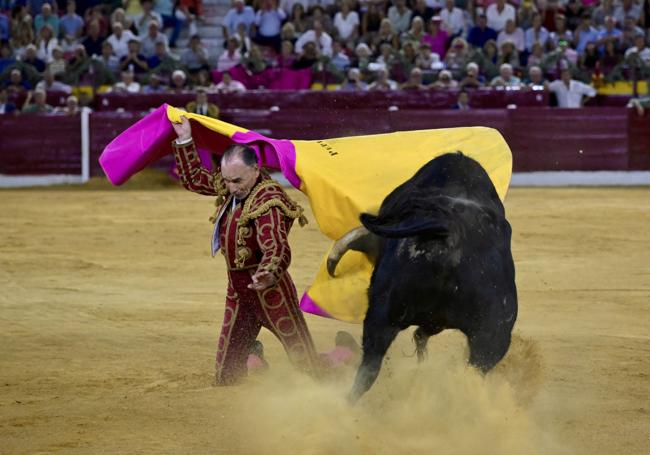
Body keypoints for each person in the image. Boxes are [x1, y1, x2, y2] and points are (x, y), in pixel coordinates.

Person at [169, 115, 324, 385]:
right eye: (227, 181)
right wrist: (185, 138)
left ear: (256, 169)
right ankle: (256, 357)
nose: (231, 187)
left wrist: (267, 273)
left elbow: (276, 246)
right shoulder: (234, 187)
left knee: (309, 368)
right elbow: (194, 179)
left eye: (237, 181)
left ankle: (344, 356)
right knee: (226, 377)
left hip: (270, 291)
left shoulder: (269, 199)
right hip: (238, 292)